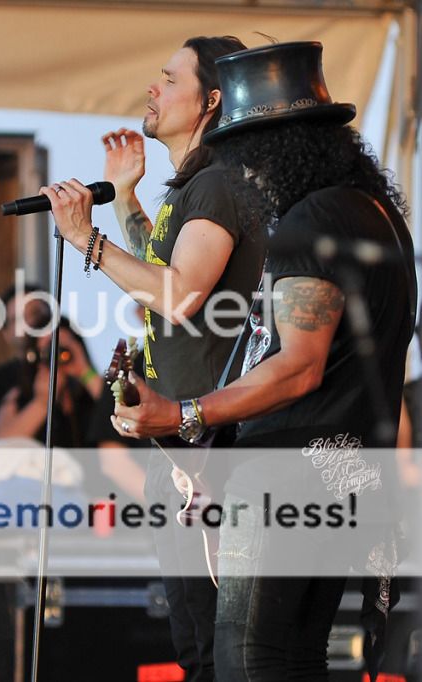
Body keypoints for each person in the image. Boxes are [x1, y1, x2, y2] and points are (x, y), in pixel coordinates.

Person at [109, 41, 415, 680]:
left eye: (241, 147)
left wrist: (185, 413)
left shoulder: (311, 220)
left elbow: (298, 366)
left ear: (271, 144)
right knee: (295, 659)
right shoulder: (378, 217)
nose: (236, 164)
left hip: (288, 476)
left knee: (245, 660)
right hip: (345, 473)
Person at [40, 36, 261, 681]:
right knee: (196, 650)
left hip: (211, 450)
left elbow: (181, 295)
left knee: (218, 656)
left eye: (169, 79)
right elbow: (164, 278)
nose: (152, 89)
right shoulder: (194, 188)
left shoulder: (219, 183)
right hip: (181, 449)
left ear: (211, 100)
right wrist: (129, 199)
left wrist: (87, 238)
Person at [0, 283, 102, 447]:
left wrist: (84, 371)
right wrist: (41, 402)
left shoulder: (83, 382)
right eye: (18, 319)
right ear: (5, 333)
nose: (28, 324)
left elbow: (119, 418)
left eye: (34, 313)